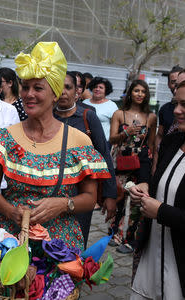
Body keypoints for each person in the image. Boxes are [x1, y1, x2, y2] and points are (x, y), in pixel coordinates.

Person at [0, 42, 111, 250]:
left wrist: (63, 204)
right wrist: (9, 210)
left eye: (38, 88)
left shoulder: (78, 141)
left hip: (59, 247)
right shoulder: (4, 138)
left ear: (55, 94)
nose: (29, 94)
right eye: (25, 87)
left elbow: (90, 198)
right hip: (11, 239)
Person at [129, 76, 185, 300]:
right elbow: (166, 188)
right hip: (152, 262)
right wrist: (145, 189)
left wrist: (161, 212)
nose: (177, 111)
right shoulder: (172, 143)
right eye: (175, 104)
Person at [53, 71, 118, 248]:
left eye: (68, 87)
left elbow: (103, 155)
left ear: (77, 92)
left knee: (74, 247)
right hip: (50, 193)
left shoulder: (87, 117)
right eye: (59, 87)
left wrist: (110, 195)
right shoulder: (47, 117)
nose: (63, 92)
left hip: (80, 193)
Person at [109, 79, 157, 254]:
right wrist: (125, 133)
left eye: (143, 92)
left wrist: (152, 167)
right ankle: (115, 233)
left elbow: (151, 145)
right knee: (119, 197)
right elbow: (112, 139)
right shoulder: (119, 113)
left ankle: (130, 239)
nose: (140, 94)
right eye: (136, 91)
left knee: (137, 200)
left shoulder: (151, 117)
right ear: (130, 93)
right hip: (122, 159)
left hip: (141, 161)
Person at [83, 76, 118, 141]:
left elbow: (116, 126)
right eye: (95, 87)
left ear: (106, 90)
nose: (97, 89)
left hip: (104, 142)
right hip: (86, 142)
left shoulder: (112, 105)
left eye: (101, 87)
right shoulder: (85, 103)